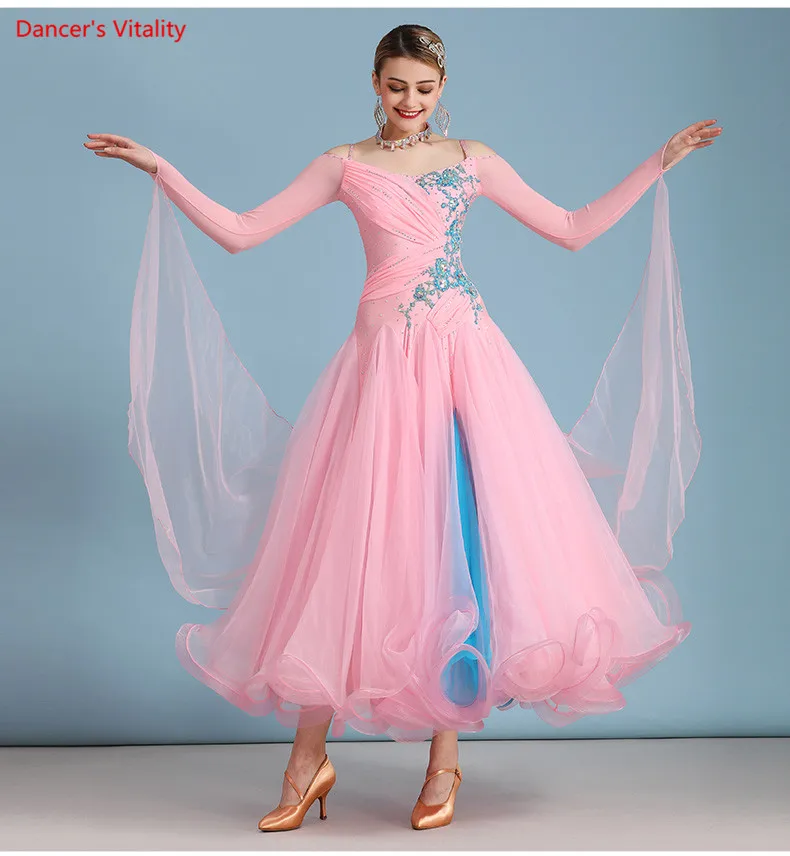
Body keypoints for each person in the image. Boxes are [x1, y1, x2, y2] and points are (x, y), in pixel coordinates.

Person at [85, 23, 719, 833]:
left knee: (453, 546)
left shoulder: (471, 160)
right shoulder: (343, 164)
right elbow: (242, 232)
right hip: (380, 376)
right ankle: (307, 762)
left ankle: (444, 760)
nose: (410, 102)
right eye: (396, 87)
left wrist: (657, 163)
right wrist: (162, 169)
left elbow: (571, 227)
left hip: (464, 369)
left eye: (424, 88)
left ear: (442, 88)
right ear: (375, 84)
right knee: (346, 552)